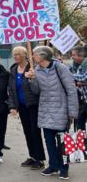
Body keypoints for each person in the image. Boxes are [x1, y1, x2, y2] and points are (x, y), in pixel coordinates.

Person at [28, 46, 78, 180]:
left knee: (62, 142)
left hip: (61, 110)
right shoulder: (36, 69)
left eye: (34, 54)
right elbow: (36, 91)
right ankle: (53, 165)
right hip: (46, 110)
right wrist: (32, 79)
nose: (32, 57)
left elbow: (71, 90)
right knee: (49, 141)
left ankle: (64, 168)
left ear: (42, 56)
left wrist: (72, 112)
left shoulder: (59, 67)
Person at [7, 46, 46, 170]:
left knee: (35, 131)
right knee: (27, 131)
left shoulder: (33, 68)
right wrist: (12, 106)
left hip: (33, 105)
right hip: (22, 106)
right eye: (14, 54)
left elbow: (39, 88)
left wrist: (33, 78)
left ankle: (40, 159)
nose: (15, 56)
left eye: (18, 54)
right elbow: (12, 90)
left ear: (25, 55)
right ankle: (33, 156)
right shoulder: (13, 70)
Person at [70, 46, 87, 133]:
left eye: (74, 55)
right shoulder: (76, 64)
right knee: (80, 124)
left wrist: (69, 75)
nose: (72, 57)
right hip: (83, 100)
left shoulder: (86, 63)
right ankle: (82, 142)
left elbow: (83, 77)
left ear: (81, 55)